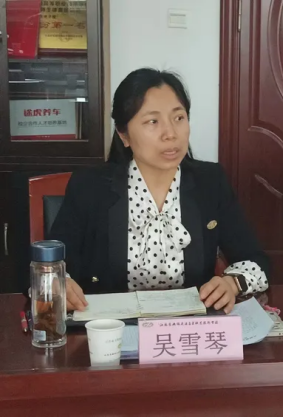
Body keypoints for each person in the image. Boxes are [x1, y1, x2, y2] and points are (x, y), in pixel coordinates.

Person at [50, 68, 270, 314]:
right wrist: (59, 283)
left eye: (179, 118)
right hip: (111, 327)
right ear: (124, 134)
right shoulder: (90, 187)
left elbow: (254, 260)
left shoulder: (210, 182)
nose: (171, 134)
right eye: (153, 122)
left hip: (188, 327)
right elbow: (50, 264)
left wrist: (232, 283)